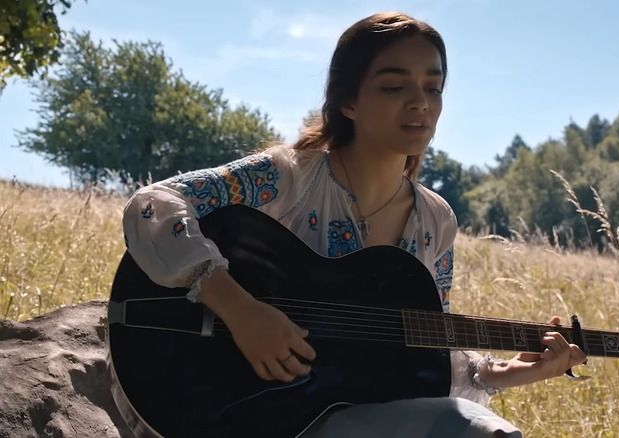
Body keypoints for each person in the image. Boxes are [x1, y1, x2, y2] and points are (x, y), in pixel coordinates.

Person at [122, 11, 586, 437]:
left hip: (344, 414)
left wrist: (516, 371)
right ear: (347, 101)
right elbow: (154, 204)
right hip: (224, 404)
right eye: (393, 86)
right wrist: (239, 310)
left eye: (433, 87)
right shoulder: (288, 177)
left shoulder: (436, 220)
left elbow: (430, 345)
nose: (419, 103)